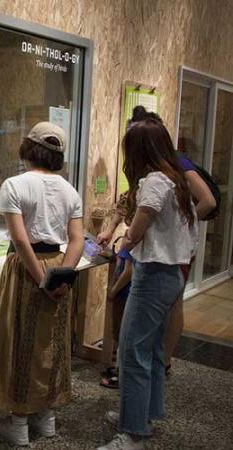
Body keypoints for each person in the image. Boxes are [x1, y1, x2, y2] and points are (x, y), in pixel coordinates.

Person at [98, 119, 198, 450]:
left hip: (154, 275)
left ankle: (133, 434)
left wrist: (120, 243)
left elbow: (137, 229)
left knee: (132, 352)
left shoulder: (154, 181)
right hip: (171, 275)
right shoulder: (176, 179)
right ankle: (144, 414)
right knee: (151, 350)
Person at [0, 122, 84, 446]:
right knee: (51, 342)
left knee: (20, 340)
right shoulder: (70, 191)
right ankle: (47, 416)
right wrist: (62, 277)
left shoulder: (14, 185)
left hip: (28, 268)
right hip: (58, 264)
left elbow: (20, 238)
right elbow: (77, 239)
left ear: (29, 148)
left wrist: (42, 280)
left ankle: (18, 420)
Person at [98, 106, 215, 372]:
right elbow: (127, 204)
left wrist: (174, 230)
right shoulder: (163, 175)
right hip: (165, 262)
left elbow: (206, 201)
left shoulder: (161, 177)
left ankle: (161, 366)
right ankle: (159, 367)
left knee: (139, 348)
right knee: (150, 339)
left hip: (159, 264)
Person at [100, 242, 134, 389]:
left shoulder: (131, 246)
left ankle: (121, 373)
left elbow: (128, 271)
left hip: (124, 295)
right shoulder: (127, 246)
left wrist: (113, 290)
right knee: (119, 333)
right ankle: (119, 367)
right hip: (122, 295)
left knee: (123, 334)